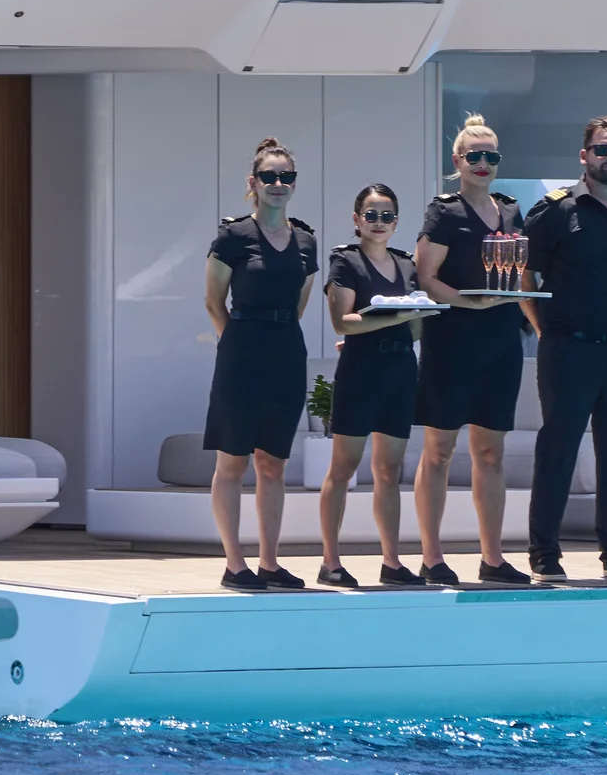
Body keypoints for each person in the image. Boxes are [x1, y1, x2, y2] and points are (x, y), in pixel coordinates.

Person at [523, 115, 607, 580]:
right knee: (558, 450)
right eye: (602, 149)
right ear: (584, 156)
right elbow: (526, 275)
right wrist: (544, 330)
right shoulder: (557, 210)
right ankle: (544, 552)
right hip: (570, 349)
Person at [413, 113, 537, 585]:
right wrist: (471, 302)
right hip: (453, 339)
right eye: (474, 156)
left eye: (491, 156)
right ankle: (431, 557)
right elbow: (426, 279)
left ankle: (492, 557)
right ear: (457, 161)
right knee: (439, 449)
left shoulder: (509, 209)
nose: (483, 164)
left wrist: (527, 313)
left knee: (490, 452)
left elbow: (521, 276)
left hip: (500, 341)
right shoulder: (444, 211)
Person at [202, 138, 319, 592]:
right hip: (242, 352)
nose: (277, 184)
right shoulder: (233, 236)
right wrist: (238, 344)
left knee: (273, 464)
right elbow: (213, 302)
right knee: (232, 462)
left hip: (287, 350)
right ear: (253, 183)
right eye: (269, 176)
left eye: (285, 177)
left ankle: (269, 562)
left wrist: (274, 338)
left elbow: (301, 303)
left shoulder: (305, 239)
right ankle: (235, 564)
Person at [317, 184, 438, 588]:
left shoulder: (406, 266)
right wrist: (396, 317)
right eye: (371, 215)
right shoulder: (345, 261)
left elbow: (416, 327)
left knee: (389, 470)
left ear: (397, 222)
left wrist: (418, 315)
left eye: (387, 216)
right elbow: (342, 321)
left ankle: (391, 560)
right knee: (343, 468)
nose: (380, 223)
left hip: (401, 368)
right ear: (357, 220)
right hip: (361, 370)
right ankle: (330, 562)